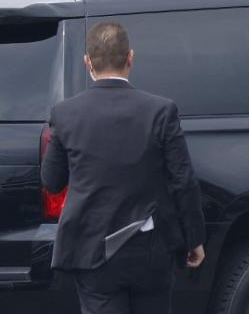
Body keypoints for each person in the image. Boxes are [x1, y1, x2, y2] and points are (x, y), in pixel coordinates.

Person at [41, 22, 206, 314]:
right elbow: (184, 181)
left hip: (92, 252)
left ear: (87, 62)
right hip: (152, 251)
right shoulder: (161, 111)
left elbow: (51, 181)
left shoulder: (64, 114)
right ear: (130, 57)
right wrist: (194, 239)